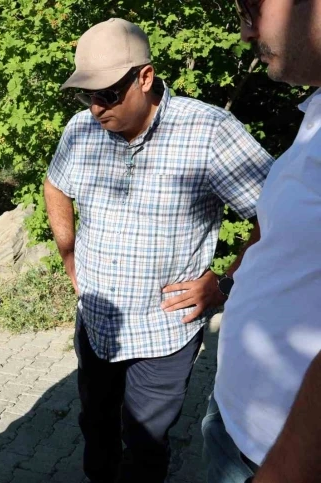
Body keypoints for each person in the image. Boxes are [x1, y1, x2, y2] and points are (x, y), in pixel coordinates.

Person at [44, 18, 275, 483]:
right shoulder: (81, 130)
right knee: (95, 425)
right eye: (86, 96)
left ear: (145, 77)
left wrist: (225, 283)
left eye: (107, 94)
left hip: (163, 333)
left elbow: (276, 213)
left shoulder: (208, 131)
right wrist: (69, 255)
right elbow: (55, 185)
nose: (95, 108)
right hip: (97, 323)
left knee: (146, 445)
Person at [203, 1, 321, 482]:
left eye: (252, 8)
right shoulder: (314, 110)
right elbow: (276, 230)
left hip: (272, 458)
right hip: (236, 422)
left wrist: (283, 470)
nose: (245, 32)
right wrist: (230, 283)